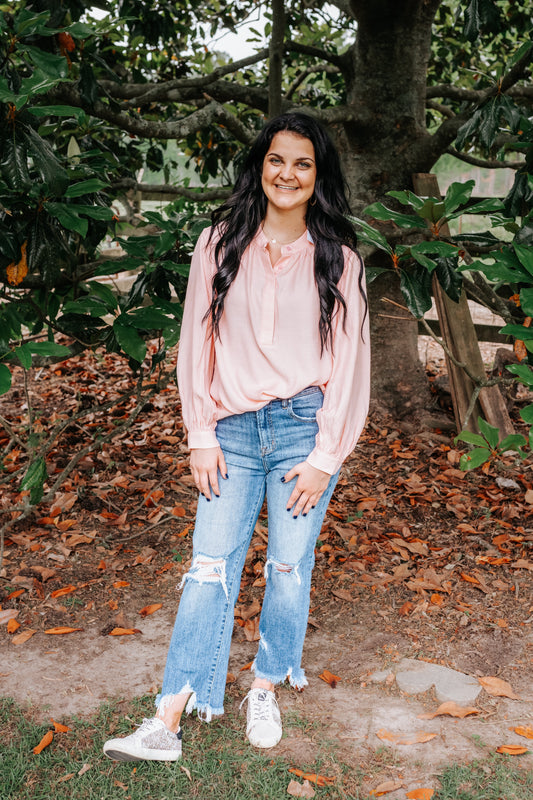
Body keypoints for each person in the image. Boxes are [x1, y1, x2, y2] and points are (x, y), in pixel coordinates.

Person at [103, 111, 370, 762]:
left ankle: (265, 685)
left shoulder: (339, 257)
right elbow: (198, 341)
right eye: (276, 160)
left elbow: (350, 365)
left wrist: (323, 456)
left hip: (302, 432)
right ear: (260, 166)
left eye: (302, 164)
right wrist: (200, 433)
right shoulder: (218, 241)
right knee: (207, 569)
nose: (287, 173)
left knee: (286, 570)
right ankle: (169, 716)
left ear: (318, 176)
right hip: (230, 433)